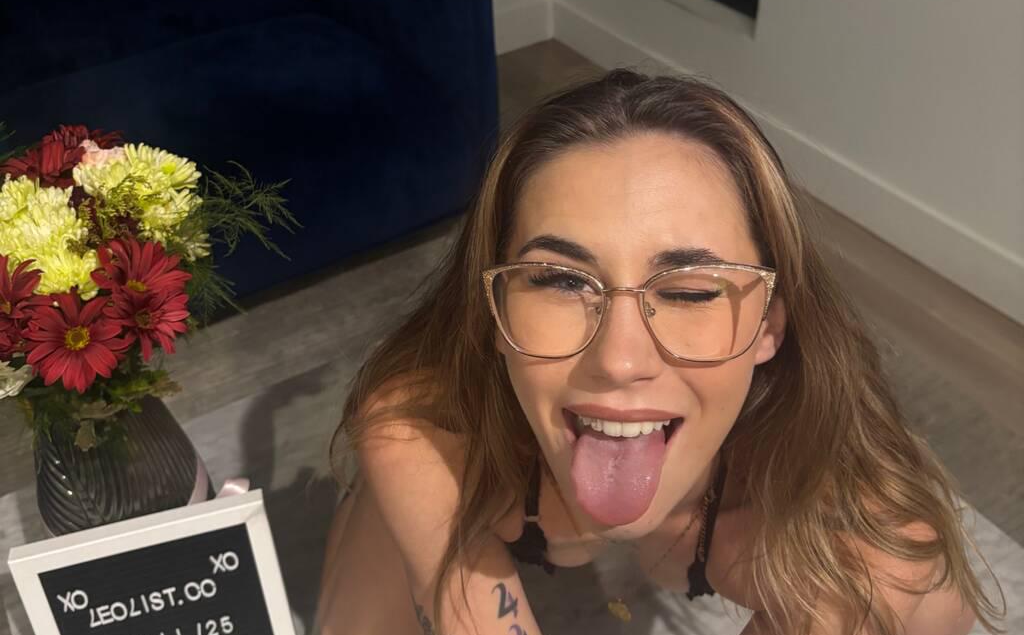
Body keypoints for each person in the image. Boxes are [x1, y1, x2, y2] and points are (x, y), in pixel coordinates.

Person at [315, 69, 1004, 635]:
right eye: (559, 279)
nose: (620, 360)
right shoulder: (422, 429)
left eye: (691, 290)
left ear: (770, 325)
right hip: (489, 471)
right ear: (492, 310)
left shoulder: (855, 537)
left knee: (915, 597)